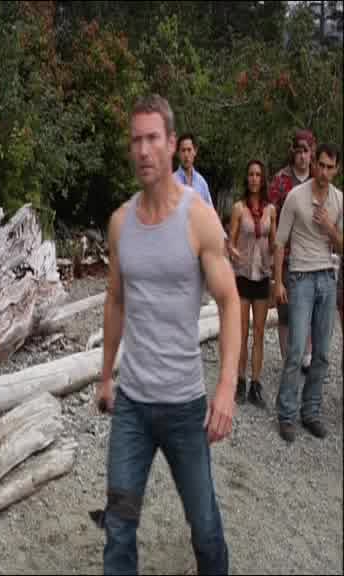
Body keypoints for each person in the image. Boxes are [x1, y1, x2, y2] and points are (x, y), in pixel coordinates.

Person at [96, 95, 240, 575]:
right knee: (119, 524)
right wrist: (105, 376)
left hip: (184, 408)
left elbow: (230, 302)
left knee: (205, 528)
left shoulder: (198, 218)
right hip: (132, 408)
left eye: (152, 138)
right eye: (135, 140)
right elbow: (115, 300)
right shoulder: (121, 224)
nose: (143, 150)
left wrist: (226, 388)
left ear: (173, 144)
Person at [274, 143, 343, 443]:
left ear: (337, 169)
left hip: (327, 277)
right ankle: (287, 414)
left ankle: (311, 411)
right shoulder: (295, 196)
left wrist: (329, 227)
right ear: (314, 164)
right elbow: (279, 242)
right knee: (297, 349)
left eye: (330, 167)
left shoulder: (339, 199)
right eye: (321, 165)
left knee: (323, 353)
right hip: (300, 276)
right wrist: (278, 282)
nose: (324, 172)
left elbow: (342, 245)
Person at [229, 160, 277, 408]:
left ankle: (255, 385)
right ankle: (240, 380)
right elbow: (231, 240)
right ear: (246, 178)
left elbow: (275, 243)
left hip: (262, 276)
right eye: (251, 174)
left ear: (263, 178)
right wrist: (233, 251)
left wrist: (276, 277)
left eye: (258, 174)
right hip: (242, 275)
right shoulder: (238, 208)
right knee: (241, 332)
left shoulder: (271, 210)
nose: (254, 178)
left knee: (259, 332)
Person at [269, 130, 316, 368]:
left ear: (312, 152)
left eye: (306, 151)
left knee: (309, 308)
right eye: (298, 151)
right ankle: (287, 357)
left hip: (313, 254)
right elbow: (271, 216)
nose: (302, 156)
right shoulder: (281, 180)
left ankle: (307, 356)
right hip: (286, 255)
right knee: (286, 310)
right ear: (293, 152)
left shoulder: (318, 178)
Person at [174, 132, 214, 207]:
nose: (186, 155)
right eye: (183, 150)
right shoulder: (171, 182)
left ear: (195, 151)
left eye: (189, 150)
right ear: (178, 153)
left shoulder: (201, 183)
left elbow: (210, 209)